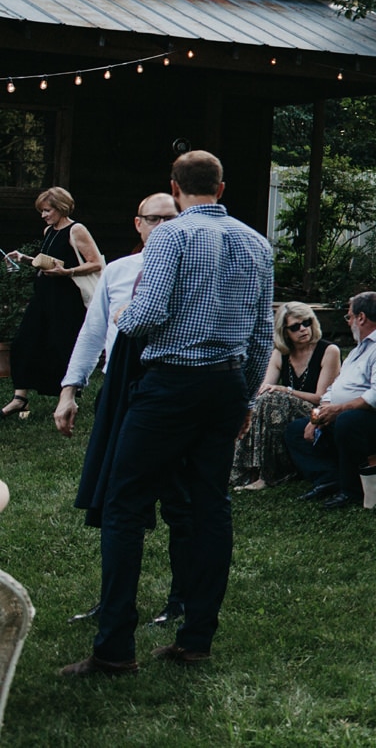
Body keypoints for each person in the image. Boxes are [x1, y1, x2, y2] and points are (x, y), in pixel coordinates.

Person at [63, 150, 272, 678]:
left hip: (170, 385)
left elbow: (150, 313)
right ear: (221, 189)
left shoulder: (171, 237)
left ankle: (114, 647)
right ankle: (196, 637)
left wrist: (122, 314)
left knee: (124, 506)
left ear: (175, 189)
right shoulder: (256, 243)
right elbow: (259, 336)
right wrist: (246, 399)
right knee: (210, 507)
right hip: (225, 384)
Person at [55, 192, 180, 633]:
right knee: (115, 500)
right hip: (120, 390)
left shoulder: (189, 271)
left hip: (170, 389)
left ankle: (180, 599)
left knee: (178, 498)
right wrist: (70, 390)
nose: (162, 227)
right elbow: (93, 334)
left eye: (171, 218)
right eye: (154, 219)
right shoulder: (118, 272)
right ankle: (113, 600)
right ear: (138, 224)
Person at [283, 293, 376, 510]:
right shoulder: (361, 347)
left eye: (349, 317)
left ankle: (352, 490)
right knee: (296, 430)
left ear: (361, 317)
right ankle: (329, 479)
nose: (349, 322)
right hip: (355, 414)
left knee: (348, 422)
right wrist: (319, 414)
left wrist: (339, 410)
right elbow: (335, 388)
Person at [3, 186, 105, 419]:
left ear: (60, 208)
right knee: (23, 342)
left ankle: (65, 400)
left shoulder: (76, 229)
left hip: (66, 299)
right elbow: (49, 262)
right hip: (44, 297)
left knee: (61, 346)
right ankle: (20, 398)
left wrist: (67, 272)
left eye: (47, 210)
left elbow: (96, 263)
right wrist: (25, 259)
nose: (43, 215)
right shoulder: (49, 230)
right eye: (42, 211)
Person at [231, 303, 340, 490]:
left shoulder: (328, 351)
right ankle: (247, 469)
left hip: (319, 411)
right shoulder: (280, 353)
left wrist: (286, 390)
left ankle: (268, 474)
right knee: (262, 400)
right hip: (285, 408)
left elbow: (321, 397)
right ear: (284, 331)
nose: (303, 329)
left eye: (306, 323)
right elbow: (265, 388)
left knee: (273, 400)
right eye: (295, 327)